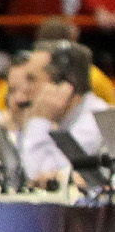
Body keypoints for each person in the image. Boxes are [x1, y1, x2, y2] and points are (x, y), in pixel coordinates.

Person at [22, 42, 112, 183]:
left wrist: (39, 120)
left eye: (32, 79)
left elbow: (40, 174)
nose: (25, 89)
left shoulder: (94, 121)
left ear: (65, 85)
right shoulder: (68, 117)